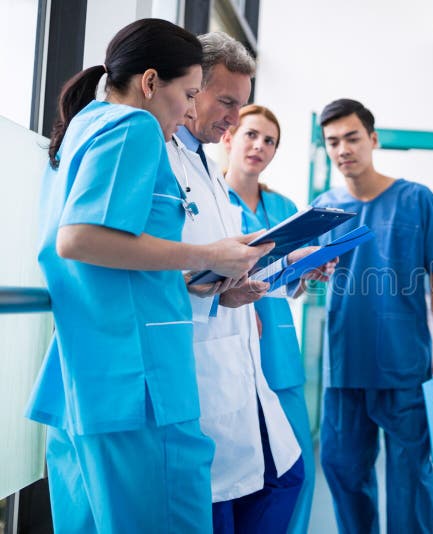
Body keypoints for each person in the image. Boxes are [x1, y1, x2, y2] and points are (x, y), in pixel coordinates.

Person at [26, 19, 270, 534]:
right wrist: (208, 254)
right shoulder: (132, 126)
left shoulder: (84, 125)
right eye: (189, 94)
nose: (188, 110)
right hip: (139, 380)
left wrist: (195, 282)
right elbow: (79, 239)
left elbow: (95, 259)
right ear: (151, 82)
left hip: (87, 374)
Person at [165, 33, 304, 534]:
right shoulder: (163, 156)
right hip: (197, 366)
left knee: (284, 479)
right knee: (226, 501)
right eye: (227, 103)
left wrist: (233, 287)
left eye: (239, 106)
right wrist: (211, 273)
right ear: (190, 86)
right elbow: (100, 249)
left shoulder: (199, 163)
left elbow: (213, 267)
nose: (233, 121)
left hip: (244, 354)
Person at [312, 98, 433, 533]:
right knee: (343, 469)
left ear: (373, 139)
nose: (343, 149)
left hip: (403, 364)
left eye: (352, 137)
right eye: (333, 141)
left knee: (410, 478)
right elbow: (310, 277)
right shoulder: (324, 207)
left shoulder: (415, 199)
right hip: (344, 365)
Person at [222, 104, 335, 534]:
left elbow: (290, 287)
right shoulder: (210, 197)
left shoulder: (285, 205)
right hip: (230, 352)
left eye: (269, 140)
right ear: (229, 137)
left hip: (279, 356)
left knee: (296, 471)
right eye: (251, 134)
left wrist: (309, 269)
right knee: (239, 478)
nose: (259, 146)